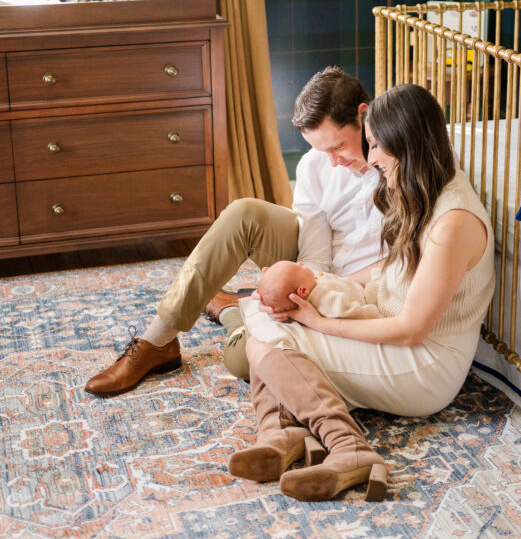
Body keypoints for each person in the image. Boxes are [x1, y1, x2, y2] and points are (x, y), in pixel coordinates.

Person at [228, 83, 496, 503]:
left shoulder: (452, 223)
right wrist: (319, 286)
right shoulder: (423, 187)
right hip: (391, 328)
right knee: (266, 316)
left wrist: (319, 322)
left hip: (425, 366)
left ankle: (346, 447)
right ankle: (282, 434)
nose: (371, 159)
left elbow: (411, 330)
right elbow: (392, 269)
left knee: (267, 337)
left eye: (376, 145)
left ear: (406, 143)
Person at [84, 67, 383, 397]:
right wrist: (300, 293)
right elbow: (314, 254)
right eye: (321, 150)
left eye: (338, 146)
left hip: (365, 288)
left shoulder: (404, 161)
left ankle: (234, 308)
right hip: (317, 276)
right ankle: (156, 342)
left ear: (363, 115)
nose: (333, 162)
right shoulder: (315, 165)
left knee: (242, 361)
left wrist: (320, 303)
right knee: (244, 214)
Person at [255, 261, 381, 318]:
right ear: (302, 291)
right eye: (300, 268)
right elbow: (350, 311)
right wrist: (371, 312)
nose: (300, 263)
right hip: (364, 298)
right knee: (379, 283)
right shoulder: (324, 300)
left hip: (357, 285)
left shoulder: (309, 283)